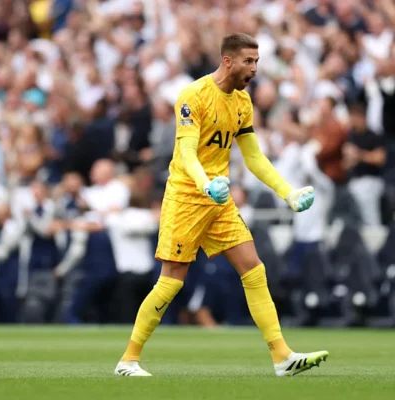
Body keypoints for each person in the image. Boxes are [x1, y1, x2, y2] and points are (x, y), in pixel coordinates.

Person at [114, 33, 328, 377]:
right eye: (248, 61)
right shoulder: (193, 95)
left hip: (219, 199)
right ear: (227, 61)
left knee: (254, 270)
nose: (254, 68)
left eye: (257, 61)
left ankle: (282, 357)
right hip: (187, 197)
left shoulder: (242, 102)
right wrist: (206, 184)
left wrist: (287, 192)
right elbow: (186, 153)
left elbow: (254, 157)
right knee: (171, 281)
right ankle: (128, 360)